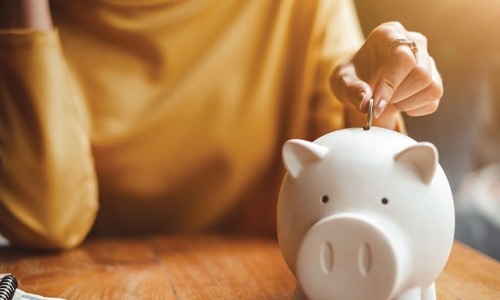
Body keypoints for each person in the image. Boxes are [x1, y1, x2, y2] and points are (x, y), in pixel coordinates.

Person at [0, 0, 442, 250]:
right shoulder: (37, 19)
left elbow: (356, 173)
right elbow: (45, 221)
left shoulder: (298, 8)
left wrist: (379, 100)